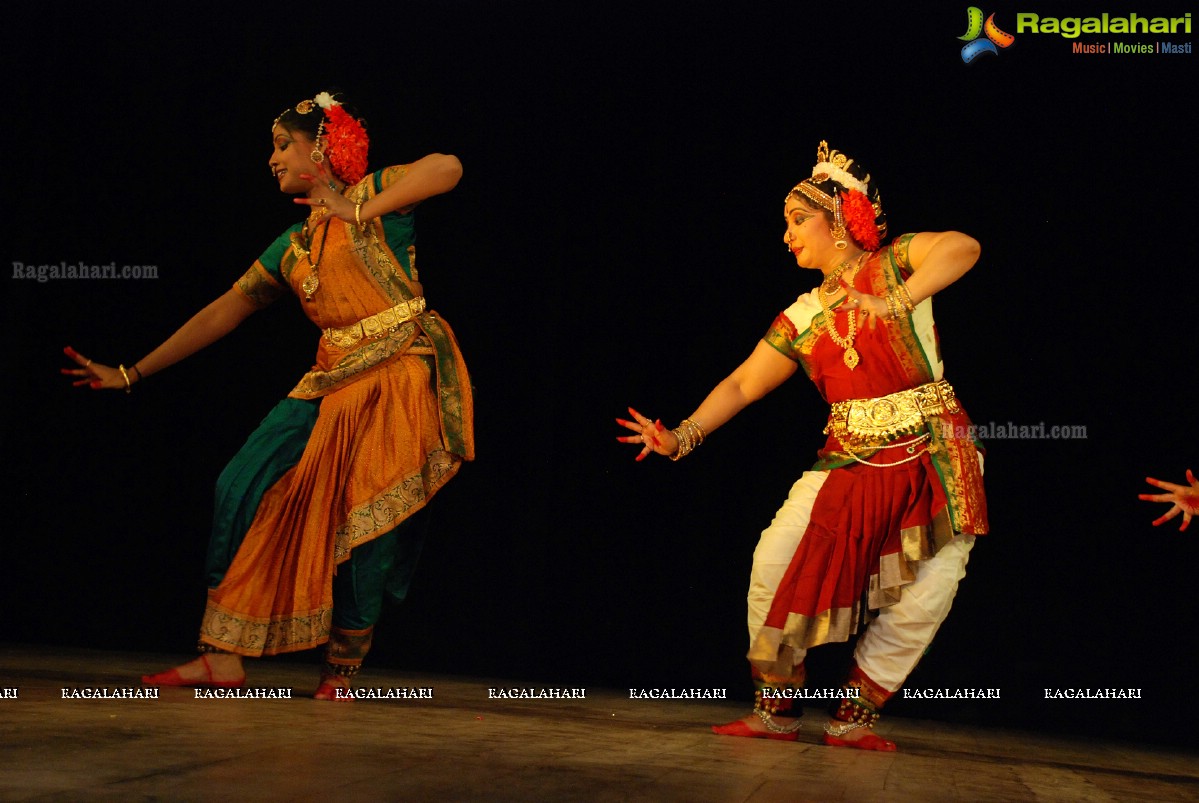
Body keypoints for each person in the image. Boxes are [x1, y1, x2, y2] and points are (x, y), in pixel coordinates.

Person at [63, 90, 474, 700]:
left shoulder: (379, 197)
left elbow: (448, 167)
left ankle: (342, 671)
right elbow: (224, 311)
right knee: (242, 480)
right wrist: (132, 372)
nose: (273, 160)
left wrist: (356, 212)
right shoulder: (293, 243)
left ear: (325, 148)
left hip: (399, 372)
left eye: (284, 146)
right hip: (330, 375)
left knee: (366, 523)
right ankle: (222, 655)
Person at [618, 141, 987, 750]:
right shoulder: (804, 313)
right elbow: (742, 382)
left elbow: (963, 246)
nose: (786, 235)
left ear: (841, 221)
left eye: (797, 220)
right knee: (773, 561)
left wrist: (893, 299)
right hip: (848, 457)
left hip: (934, 453)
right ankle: (777, 708)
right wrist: (683, 435)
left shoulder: (896, 264)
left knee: (924, 594)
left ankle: (854, 719)